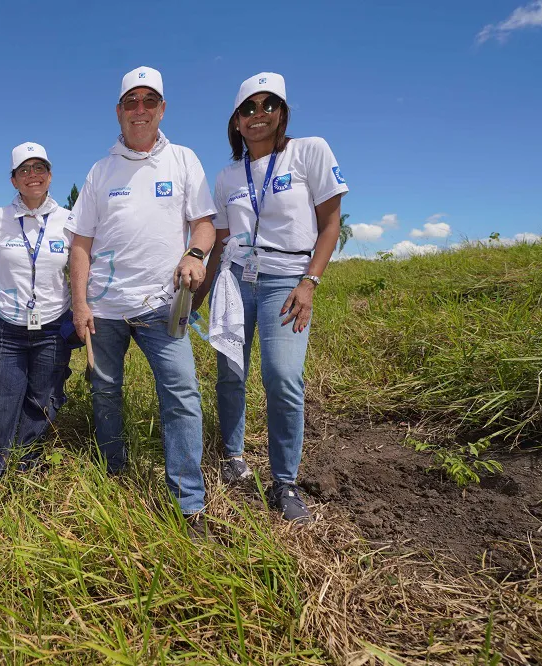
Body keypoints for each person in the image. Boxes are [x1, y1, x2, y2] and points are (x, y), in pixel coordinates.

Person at [66, 66, 217, 534]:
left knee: (182, 396)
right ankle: (114, 473)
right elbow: (80, 245)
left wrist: (195, 252)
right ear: (118, 110)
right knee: (105, 392)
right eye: (131, 101)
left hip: (161, 305)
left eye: (149, 100)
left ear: (162, 109)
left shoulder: (184, 160)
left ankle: (188, 503)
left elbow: (205, 222)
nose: (140, 109)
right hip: (105, 309)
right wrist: (79, 304)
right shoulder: (100, 170)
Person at [194, 72, 348, 523]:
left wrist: (309, 283)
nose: (258, 115)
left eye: (268, 105)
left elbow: (331, 223)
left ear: (282, 112)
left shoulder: (309, 152)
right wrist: (196, 300)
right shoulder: (226, 176)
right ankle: (234, 457)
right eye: (248, 108)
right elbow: (219, 242)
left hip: (287, 279)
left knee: (282, 376)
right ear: (236, 122)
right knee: (230, 372)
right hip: (235, 278)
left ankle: (285, 481)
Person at [0, 142, 75, 500]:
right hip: (6, 330)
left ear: (50, 175)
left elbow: (85, 265)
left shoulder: (68, 220)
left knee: (44, 401)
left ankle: (23, 473)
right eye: (24, 170)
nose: (33, 176)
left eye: (39, 168)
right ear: (13, 179)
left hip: (54, 327)